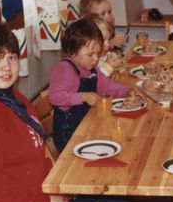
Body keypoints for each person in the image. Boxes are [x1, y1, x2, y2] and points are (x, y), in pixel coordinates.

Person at [0, 22, 126, 202]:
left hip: (37, 194)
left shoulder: (15, 99)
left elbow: (40, 153)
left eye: (11, 57)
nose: (6, 67)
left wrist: (58, 189)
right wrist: (48, 199)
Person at [50, 18, 128, 151]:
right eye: (91, 55)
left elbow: (107, 86)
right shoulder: (64, 69)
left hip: (86, 126)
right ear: (72, 51)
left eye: (97, 54)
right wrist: (83, 97)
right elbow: (56, 97)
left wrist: (126, 91)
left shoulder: (92, 69)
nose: (96, 59)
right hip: (68, 136)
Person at [82, 13, 124, 78]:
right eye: (103, 40)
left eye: (108, 39)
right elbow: (94, 82)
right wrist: (108, 67)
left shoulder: (102, 56)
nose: (107, 44)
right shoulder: (84, 61)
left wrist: (114, 71)